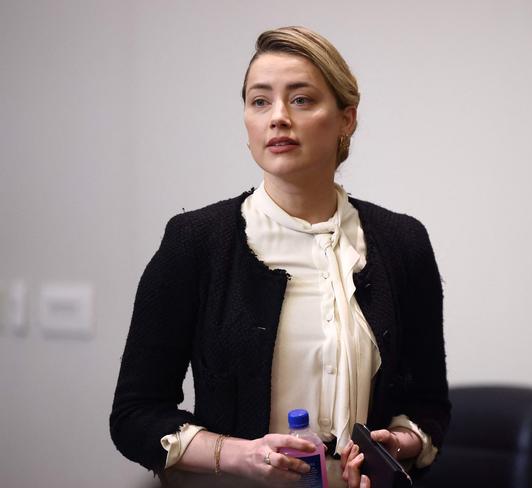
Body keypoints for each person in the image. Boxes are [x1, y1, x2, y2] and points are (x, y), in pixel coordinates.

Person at [110, 26, 450, 488]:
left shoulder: (402, 242)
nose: (278, 118)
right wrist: (239, 455)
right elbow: (134, 415)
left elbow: (430, 405)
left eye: (302, 100)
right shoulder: (196, 243)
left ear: (347, 118)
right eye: (260, 101)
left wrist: (399, 444)